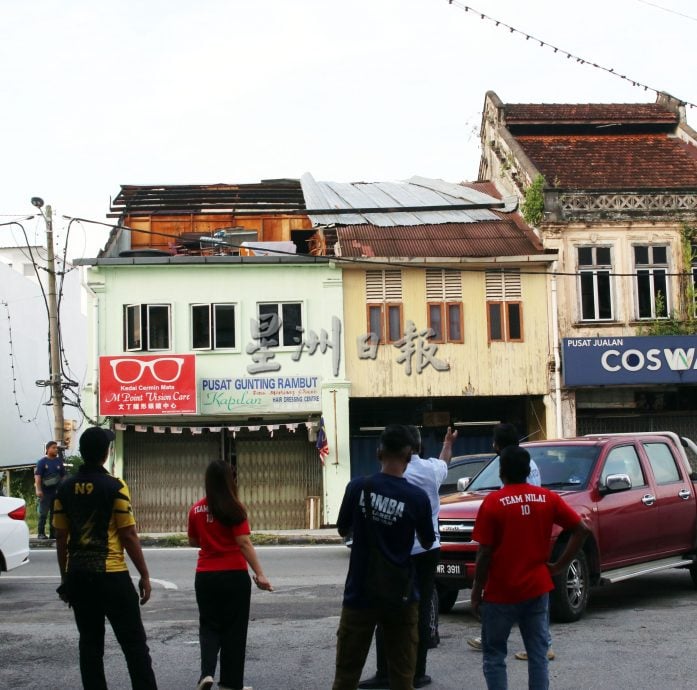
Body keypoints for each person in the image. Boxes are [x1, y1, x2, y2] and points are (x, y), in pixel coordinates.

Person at [470, 446, 590, 690]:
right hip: (537, 588)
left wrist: (476, 590)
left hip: (500, 592)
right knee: (538, 655)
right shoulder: (547, 498)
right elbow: (582, 530)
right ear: (527, 471)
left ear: (501, 472)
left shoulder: (493, 503)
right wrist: (559, 565)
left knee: (494, 656)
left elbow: (484, 552)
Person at [53, 426, 158, 690]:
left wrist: (66, 579)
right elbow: (128, 534)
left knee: (90, 646)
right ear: (105, 453)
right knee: (134, 645)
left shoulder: (64, 489)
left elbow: (61, 538)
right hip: (112, 576)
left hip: (78, 575)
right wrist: (144, 574)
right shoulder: (114, 486)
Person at [332, 424, 435, 690]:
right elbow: (426, 540)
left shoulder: (357, 487)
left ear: (379, 452)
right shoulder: (417, 498)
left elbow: (344, 528)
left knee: (345, 677)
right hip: (401, 596)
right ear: (409, 456)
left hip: (359, 593)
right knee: (402, 679)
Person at [358, 425, 457, 689]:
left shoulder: (393, 475)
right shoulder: (432, 470)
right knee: (421, 611)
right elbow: (445, 462)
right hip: (429, 549)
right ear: (416, 447)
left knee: (387, 608)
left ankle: (385, 672)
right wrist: (447, 443)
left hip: (398, 551)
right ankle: (418, 672)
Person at [467, 422, 551, 657]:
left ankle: (541, 643)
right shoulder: (526, 461)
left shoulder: (511, 464)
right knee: (534, 597)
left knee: (511, 596)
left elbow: (515, 498)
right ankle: (540, 643)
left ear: (498, 444)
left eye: (494, 441)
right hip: (530, 532)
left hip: (518, 534)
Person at [188, 459, 273, 690]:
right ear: (229, 480)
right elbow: (244, 542)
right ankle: (230, 683)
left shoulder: (196, 509)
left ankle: (206, 674)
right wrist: (260, 574)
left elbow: (193, 540)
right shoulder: (235, 509)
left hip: (205, 576)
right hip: (234, 576)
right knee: (234, 630)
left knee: (208, 625)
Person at [34, 440, 66, 539]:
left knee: (54, 514)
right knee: (43, 513)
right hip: (45, 492)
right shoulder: (42, 462)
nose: (56, 449)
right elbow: (38, 477)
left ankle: (53, 533)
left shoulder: (58, 462)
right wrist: (38, 490)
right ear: (47, 449)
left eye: (56, 448)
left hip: (56, 492)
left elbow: (63, 476)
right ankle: (41, 533)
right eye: (53, 447)